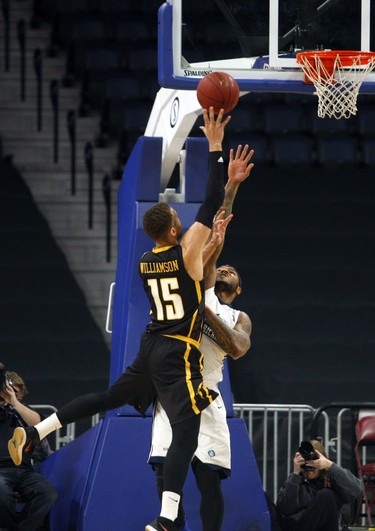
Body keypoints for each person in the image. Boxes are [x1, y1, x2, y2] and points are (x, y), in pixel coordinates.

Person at [8, 107, 234, 531]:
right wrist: (216, 146)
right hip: (175, 352)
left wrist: (211, 246)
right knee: (188, 424)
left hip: (148, 347)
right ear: (171, 231)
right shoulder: (185, 251)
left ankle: (40, 431)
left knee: (109, 399)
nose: (183, 222)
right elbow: (212, 199)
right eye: (177, 221)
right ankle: (167, 519)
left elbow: (196, 266)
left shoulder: (148, 261)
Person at [149, 144, 254, 531]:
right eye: (220, 265)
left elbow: (239, 348)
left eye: (232, 271)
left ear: (238, 289)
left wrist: (203, 312)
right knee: (164, 476)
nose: (224, 269)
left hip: (207, 396)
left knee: (209, 483)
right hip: (176, 390)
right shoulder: (202, 284)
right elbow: (216, 223)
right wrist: (231, 185)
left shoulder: (238, 315)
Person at [0, 364, 57, 531]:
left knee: (47, 493)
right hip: (0, 469)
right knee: (1, 492)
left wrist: (14, 403)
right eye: (6, 389)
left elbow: (40, 425)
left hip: (24, 470)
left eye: (15, 391)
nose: (9, 393)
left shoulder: (21, 410)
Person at [276, 438, 362, 531]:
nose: (309, 467)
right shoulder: (295, 483)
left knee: (327, 495)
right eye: (305, 463)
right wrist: (295, 473)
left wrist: (329, 465)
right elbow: (284, 509)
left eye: (313, 461)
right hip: (301, 527)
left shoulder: (332, 481)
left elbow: (356, 489)